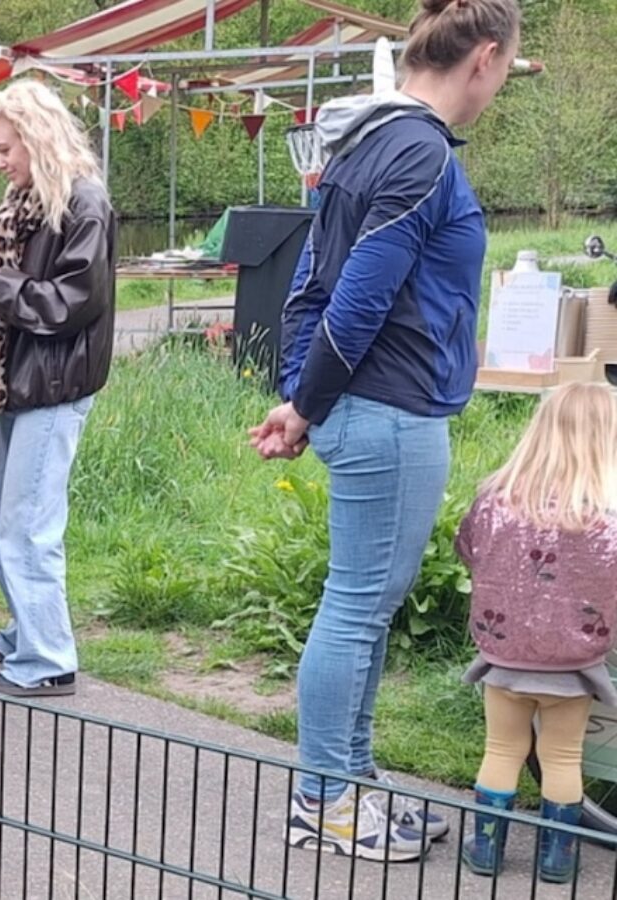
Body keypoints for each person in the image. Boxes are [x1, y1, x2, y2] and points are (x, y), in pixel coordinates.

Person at [249, 0, 521, 862]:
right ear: (483, 56)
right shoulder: (418, 151)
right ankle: (326, 798)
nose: (501, 84)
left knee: (364, 607)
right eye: (506, 68)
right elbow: (357, 296)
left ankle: (353, 781)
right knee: (357, 609)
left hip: (367, 406)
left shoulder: (363, 139)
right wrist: (307, 402)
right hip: (390, 413)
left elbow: (307, 283)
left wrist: (301, 397)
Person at [0, 81, 114, 700]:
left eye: (8, 149)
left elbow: (71, 302)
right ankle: (27, 627)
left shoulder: (83, 204)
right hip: (27, 377)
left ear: (37, 140)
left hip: (56, 382)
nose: (2, 161)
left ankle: (49, 656)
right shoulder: (32, 199)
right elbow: (27, 283)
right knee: (0, 514)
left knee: (28, 523)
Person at [454, 383, 617, 883]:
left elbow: (467, 549)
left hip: (503, 660)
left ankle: (486, 850)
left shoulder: (496, 500)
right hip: (575, 666)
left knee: (501, 750)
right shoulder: (608, 515)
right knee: (563, 757)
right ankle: (557, 858)